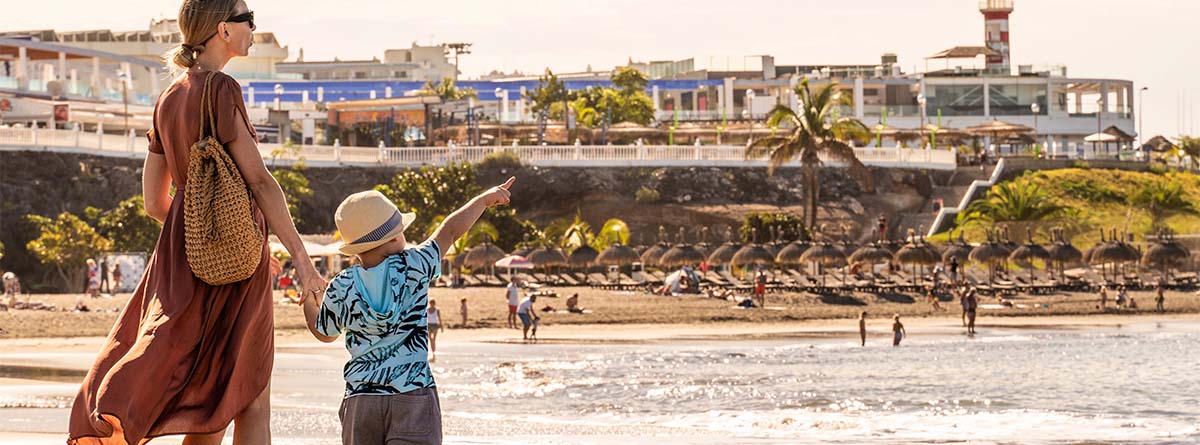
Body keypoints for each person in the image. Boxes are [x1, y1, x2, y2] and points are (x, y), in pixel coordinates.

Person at [69, 3, 328, 443]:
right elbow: (262, 184)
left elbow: (154, 201)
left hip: (182, 265)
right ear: (223, 29)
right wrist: (299, 262)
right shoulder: (222, 89)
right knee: (249, 398)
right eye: (248, 19)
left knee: (209, 403)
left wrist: (205, 237)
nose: (253, 28)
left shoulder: (169, 97)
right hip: (235, 274)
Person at [302, 178, 514, 445]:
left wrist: (310, 299)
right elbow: (449, 231)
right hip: (412, 394)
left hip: (361, 399)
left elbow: (324, 333)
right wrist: (483, 200)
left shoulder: (342, 285)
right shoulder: (415, 265)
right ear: (393, 237)